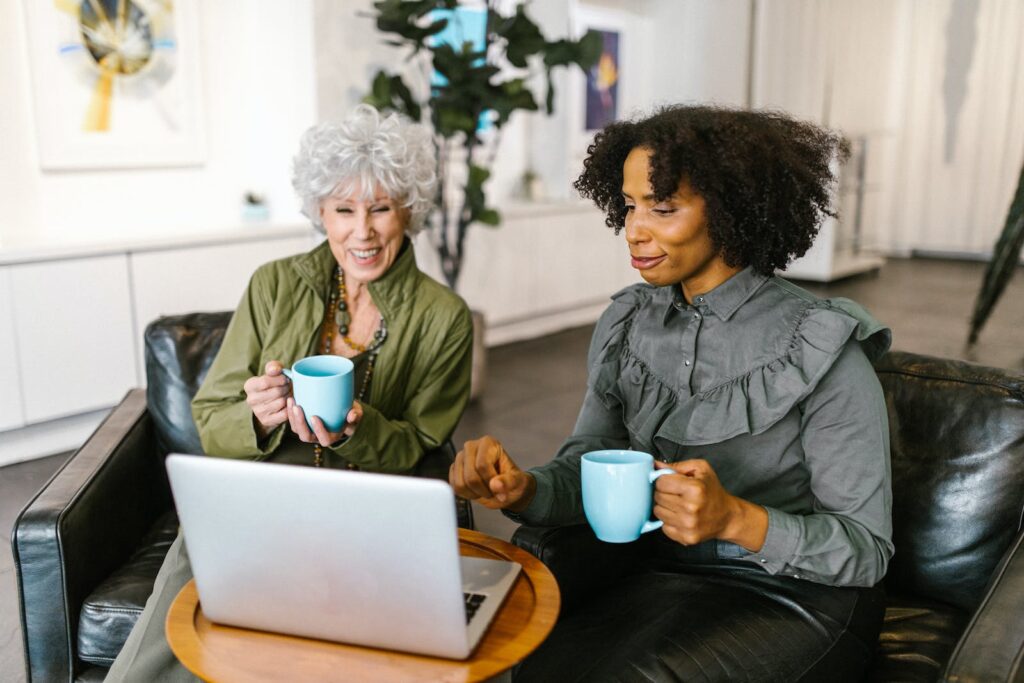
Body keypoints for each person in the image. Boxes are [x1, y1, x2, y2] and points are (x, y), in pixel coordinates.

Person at [451, 105, 893, 682]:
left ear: (731, 210)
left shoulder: (821, 343)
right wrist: (521, 487)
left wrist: (735, 518)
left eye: (663, 208)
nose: (635, 229)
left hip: (799, 595)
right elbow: (591, 466)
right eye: (631, 205)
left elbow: (866, 551)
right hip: (659, 571)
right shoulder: (628, 323)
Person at [106, 105, 473, 682]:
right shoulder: (273, 284)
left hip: (366, 510)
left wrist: (359, 427)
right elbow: (210, 417)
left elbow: (421, 443)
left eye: (381, 208)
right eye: (343, 209)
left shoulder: (444, 317)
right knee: (170, 644)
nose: (363, 231)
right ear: (319, 211)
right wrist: (258, 416)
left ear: (410, 210)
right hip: (259, 499)